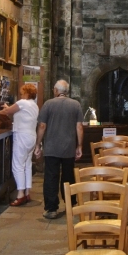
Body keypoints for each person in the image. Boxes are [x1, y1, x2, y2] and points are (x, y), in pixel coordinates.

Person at [34, 80, 83, 219]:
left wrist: (38, 144)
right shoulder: (75, 104)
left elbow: (42, 126)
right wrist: (79, 145)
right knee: (68, 176)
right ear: (66, 91)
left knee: (51, 176)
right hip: (68, 147)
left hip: (51, 147)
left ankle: (51, 209)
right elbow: (79, 127)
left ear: (56, 90)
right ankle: (70, 203)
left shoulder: (48, 104)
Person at [0, 84, 39, 206]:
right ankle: (27, 191)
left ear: (27, 93)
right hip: (31, 136)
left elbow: (8, 111)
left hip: (22, 136)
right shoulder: (34, 105)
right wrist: (7, 107)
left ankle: (20, 194)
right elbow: (17, 111)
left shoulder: (23, 102)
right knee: (27, 165)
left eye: (22, 92)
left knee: (18, 165)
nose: (20, 95)